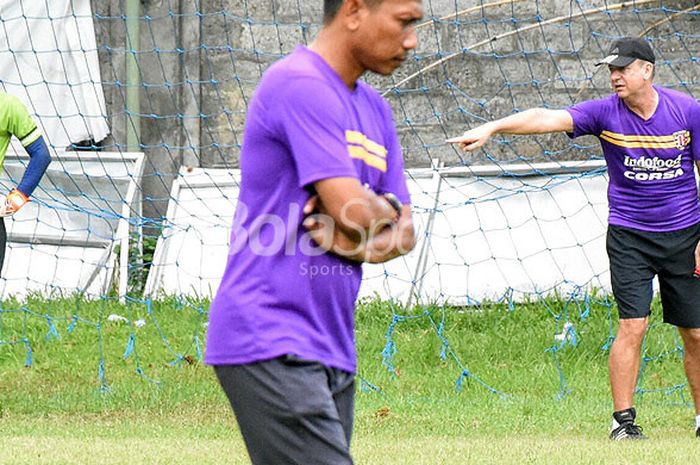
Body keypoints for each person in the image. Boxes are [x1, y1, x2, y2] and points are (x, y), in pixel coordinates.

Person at [448, 36, 700, 440]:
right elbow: (543, 117)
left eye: (622, 68)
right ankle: (623, 424)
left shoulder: (686, 111)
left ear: (646, 71)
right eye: (611, 70)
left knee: (696, 332)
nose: (615, 76)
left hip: (685, 236)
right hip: (630, 237)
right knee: (633, 326)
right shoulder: (603, 113)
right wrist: (493, 127)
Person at [205, 0, 421, 463]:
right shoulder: (299, 84)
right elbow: (352, 210)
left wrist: (364, 240)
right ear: (355, 10)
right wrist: (378, 211)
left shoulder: (376, 110)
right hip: (270, 332)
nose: (412, 40)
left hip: (332, 343)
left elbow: (406, 233)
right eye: (403, 22)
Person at [0, 91, 51, 273]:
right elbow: (42, 155)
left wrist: (15, 201)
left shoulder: (7, 105)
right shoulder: (8, 103)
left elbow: (41, 155)